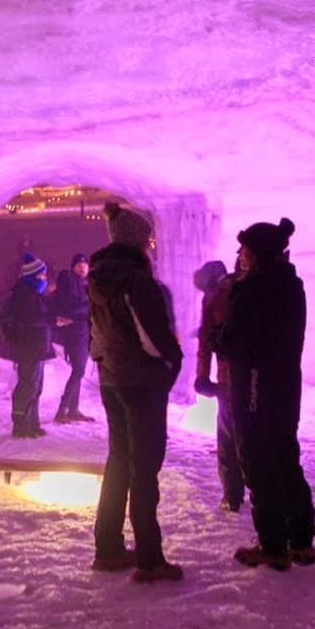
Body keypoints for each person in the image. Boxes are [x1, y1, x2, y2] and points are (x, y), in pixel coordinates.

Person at [212, 219, 315, 570]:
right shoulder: (291, 284)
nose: (240, 255)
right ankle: (301, 539)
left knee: (257, 461)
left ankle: (272, 544)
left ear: (256, 253)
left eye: (244, 249)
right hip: (286, 383)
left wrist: (215, 336)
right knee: (286, 456)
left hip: (255, 384)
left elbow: (234, 342)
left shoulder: (255, 289)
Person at [88, 202, 184, 583]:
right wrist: (171, 362)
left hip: (112, 378)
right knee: (144, 469)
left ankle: (108, 546)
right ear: (140, 242)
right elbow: (153, 336)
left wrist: (103, 363)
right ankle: (150, 559)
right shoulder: (137, 281)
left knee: (119, 462)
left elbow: (95, 333)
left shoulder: (97, 278)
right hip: (141, 382)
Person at [193, 258, 244, 512]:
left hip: (228, 377)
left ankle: (232, 496)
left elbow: (206, 342)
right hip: (255, 375)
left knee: (227, 438)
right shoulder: (244, 288)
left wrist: (202, 376)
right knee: (250, 434)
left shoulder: (214, 299)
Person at [8, 253, 54, 438]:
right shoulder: (23, 292)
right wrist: (51, 320)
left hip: (38, 347)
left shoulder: (34, 292)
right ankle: (20, 425)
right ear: (33, 275)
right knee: (27, 385)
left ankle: (33, 424)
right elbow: (30, 319)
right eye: (42, 275)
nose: (45, 278)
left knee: (36, 387)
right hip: (29, 347)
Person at [51, 253, 95, 424]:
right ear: (73, 267)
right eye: (79, 265)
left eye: (85, 265)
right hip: (74, 333)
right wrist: (89, 304)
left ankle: (73, 410)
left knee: (78, 370)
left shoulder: (86, 283)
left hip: (84, 332)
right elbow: (70, 307)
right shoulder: (68, 283)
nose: (83, 267)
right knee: (79, 371)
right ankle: (62, 410)